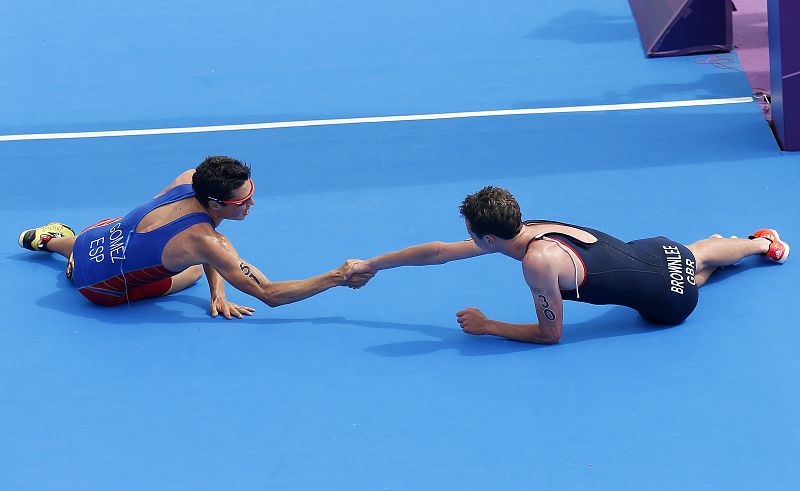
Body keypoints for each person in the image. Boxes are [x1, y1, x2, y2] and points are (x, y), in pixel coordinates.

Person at [350, 186, 789, 344]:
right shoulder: (527, 228)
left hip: (670, 306)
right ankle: (753, 244)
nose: (465, 238)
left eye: (470, 233)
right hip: (660, 249)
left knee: (685, 282)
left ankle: (735, 254)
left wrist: (488, 326)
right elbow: (438, 252)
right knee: (694, 255)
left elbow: (551, 334)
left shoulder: (537, 264)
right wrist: (373, 264)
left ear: (489, 240)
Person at [18, 156, 371, 318]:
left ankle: (52, 241)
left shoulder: (189, 179)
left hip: (92, 239)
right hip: (99, 290)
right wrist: (336, 277)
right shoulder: (208, 243)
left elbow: (206, 241)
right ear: (215, 203)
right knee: (189, 274)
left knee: (121, 231)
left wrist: (220, 291)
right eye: (243, 201)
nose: (251, 204)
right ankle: (70, 265)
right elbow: (270, 294)